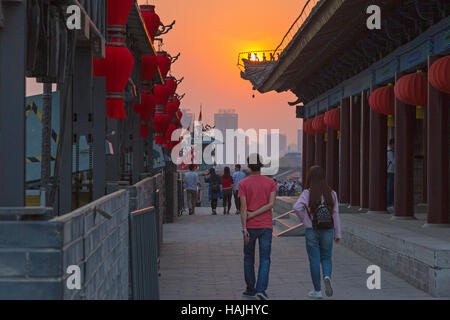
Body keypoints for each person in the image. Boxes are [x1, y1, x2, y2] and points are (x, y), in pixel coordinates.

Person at [293, 166, 341, 299]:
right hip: (328, 229)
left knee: (314, 260)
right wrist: (338, 234)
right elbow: (336, 214)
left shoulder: (307, 193)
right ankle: (326, 276)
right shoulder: (332, 193)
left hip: (312, 230)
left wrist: (306, 221)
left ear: (310, 177)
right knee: (326, 257)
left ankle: (317, 291)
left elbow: (296, 207)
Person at [240, 154, 277, 300]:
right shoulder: (270, 183)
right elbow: (271, 204)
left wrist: (244, 228)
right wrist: (256, 213)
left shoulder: (243, 183)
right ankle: (261, 290)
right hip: (266, 226)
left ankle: (250, 289)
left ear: (248, 166)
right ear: (261, 165)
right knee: (265, 259)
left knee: (248, 257)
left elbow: (243, 207)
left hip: (249, 226)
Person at [387, 138, 395, 210]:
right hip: (390, 171)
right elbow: (393, 162)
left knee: (390, 187)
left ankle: (390, 202)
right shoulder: (389, 152)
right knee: (390, 187)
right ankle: (389, 202)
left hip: (390, 171)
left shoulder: (389, 150)